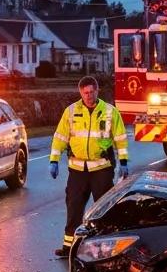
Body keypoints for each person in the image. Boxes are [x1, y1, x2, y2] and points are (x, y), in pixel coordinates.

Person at [49, 76, 128, 257]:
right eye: (85, 93)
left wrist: (123, 161)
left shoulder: (110, 112)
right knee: (73, 207)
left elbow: (120, 139)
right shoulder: (71, 111)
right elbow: (60, 137)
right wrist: (54, 160)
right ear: (80, 93)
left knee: (103, 209)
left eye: (92, 92)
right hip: (77, 170)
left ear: (97, 91)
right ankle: (69, 247)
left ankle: (106, 247)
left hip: (101, 168)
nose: (89, 96)